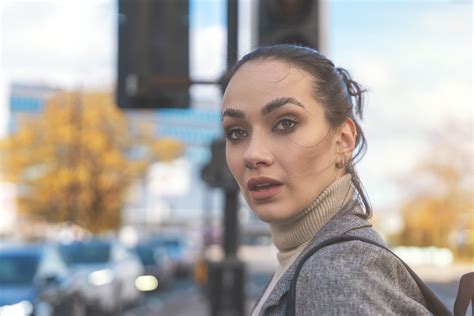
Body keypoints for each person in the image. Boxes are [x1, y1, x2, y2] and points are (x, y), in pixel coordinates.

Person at [220, 44, 431, 315]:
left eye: (285, 123)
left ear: (343, 140)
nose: (253, 154)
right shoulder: (310, 259)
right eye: (236, 132)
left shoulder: (335, 273)